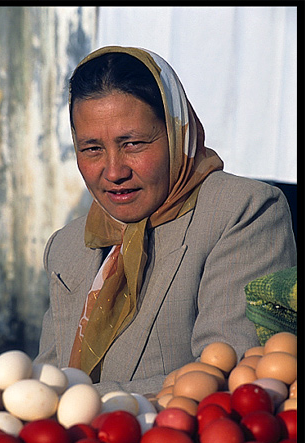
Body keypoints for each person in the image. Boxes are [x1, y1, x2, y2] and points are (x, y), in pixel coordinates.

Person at [34, 45, 297, 396]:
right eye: (92, 149)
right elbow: (42, 381)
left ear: (177, 133)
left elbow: (226, 372)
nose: (114, 171)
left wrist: (75, 400)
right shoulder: (68, 246)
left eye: (134, 143)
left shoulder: (242, 212)